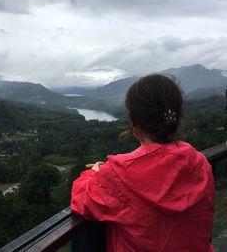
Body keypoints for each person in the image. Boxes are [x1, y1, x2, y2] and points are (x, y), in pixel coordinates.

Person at [71, 74, 215, 252]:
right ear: (175, 120)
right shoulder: (200, 162)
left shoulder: (119, 174)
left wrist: (95, 173)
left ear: (133, 123)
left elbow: (80, 200)